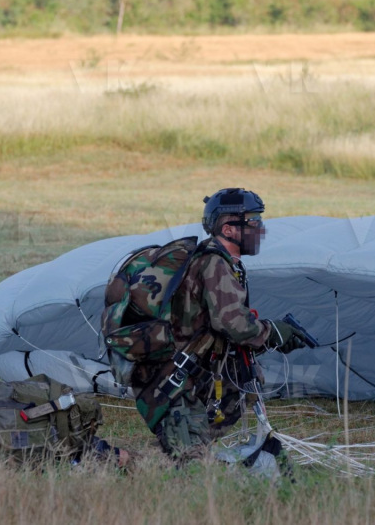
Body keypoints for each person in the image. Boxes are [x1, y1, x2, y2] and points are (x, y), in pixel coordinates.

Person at [131, 187, 306, 463]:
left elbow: (224, 327)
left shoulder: (225, 263)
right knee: (186, 462)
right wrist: (272, 333)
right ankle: (133, 462)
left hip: (194, 371)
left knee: (243, 383)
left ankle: (189, 445)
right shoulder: (214, 263)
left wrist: (268, 336)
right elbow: (232, 323)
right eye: (253, 222)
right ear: (228, 229)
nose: (261, 230)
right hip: (171, 378)